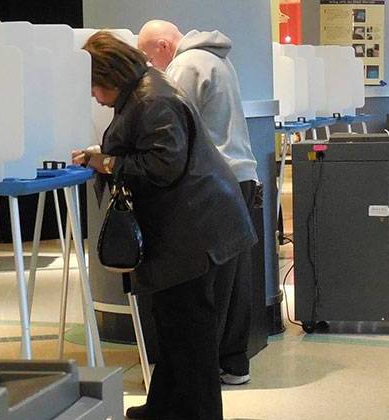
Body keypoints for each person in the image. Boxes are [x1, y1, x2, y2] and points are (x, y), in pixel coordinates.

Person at [73, 31, 257, 420]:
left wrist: (105, 163)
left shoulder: (152, 99)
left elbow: (162, 166)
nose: (93, 96)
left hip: (193, 232)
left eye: (93, 86)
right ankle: (163, 408)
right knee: (176, 328)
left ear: (109, 75)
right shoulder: (147, 91)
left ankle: (199, 414)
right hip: (192, 226)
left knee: (191, 336)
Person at [138, 20, 258, 385]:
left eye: (147, 58)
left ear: (162, 46)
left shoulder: (185, 66)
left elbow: (174, 125)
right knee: (235, 283)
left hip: (215, 182)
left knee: (208, 289)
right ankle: (234, 363)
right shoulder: (219, 60)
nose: (150, 68)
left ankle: (201, 374)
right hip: (241, 176)